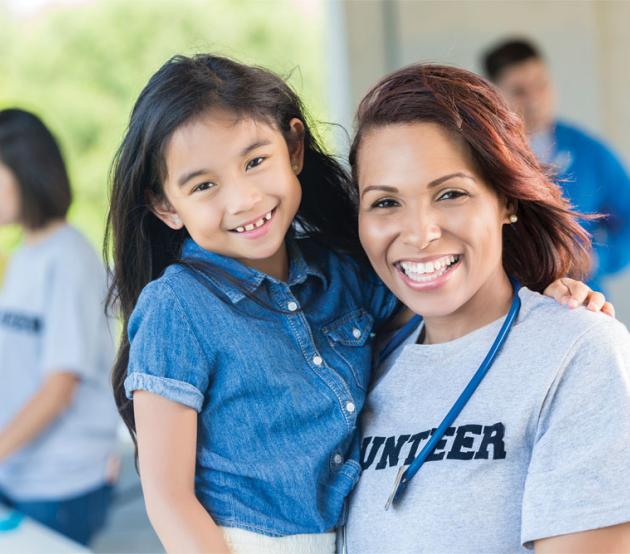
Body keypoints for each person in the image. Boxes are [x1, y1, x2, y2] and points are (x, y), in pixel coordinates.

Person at [107, 54, 611, 554]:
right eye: (386, 202)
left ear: (294, 149)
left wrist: (549, 293)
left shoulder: (340, 277)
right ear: (166, 205)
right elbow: (168, 497)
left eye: (255, 161)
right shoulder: (178, 305)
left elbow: (461, 296)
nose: (241, 199)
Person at [344, 63, 630, 553]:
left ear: (506, 201)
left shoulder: (578, 354)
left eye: (450, 194)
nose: (418, 232)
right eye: (386, 203)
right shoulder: (361, 367)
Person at [0, 108, 119, 545]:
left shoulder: (69, 259)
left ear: (25, 171)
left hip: (60, 486)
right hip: (19, 472)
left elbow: (58, 388)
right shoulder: (24, 255)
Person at [483, 38, 630, 293]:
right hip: (502, 302)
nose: (534, 100)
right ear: (493, 93)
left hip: (579, 300)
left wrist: (599, 260)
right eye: (519, 90)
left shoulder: (589, 151)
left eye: (541, 85)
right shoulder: (482, 155)